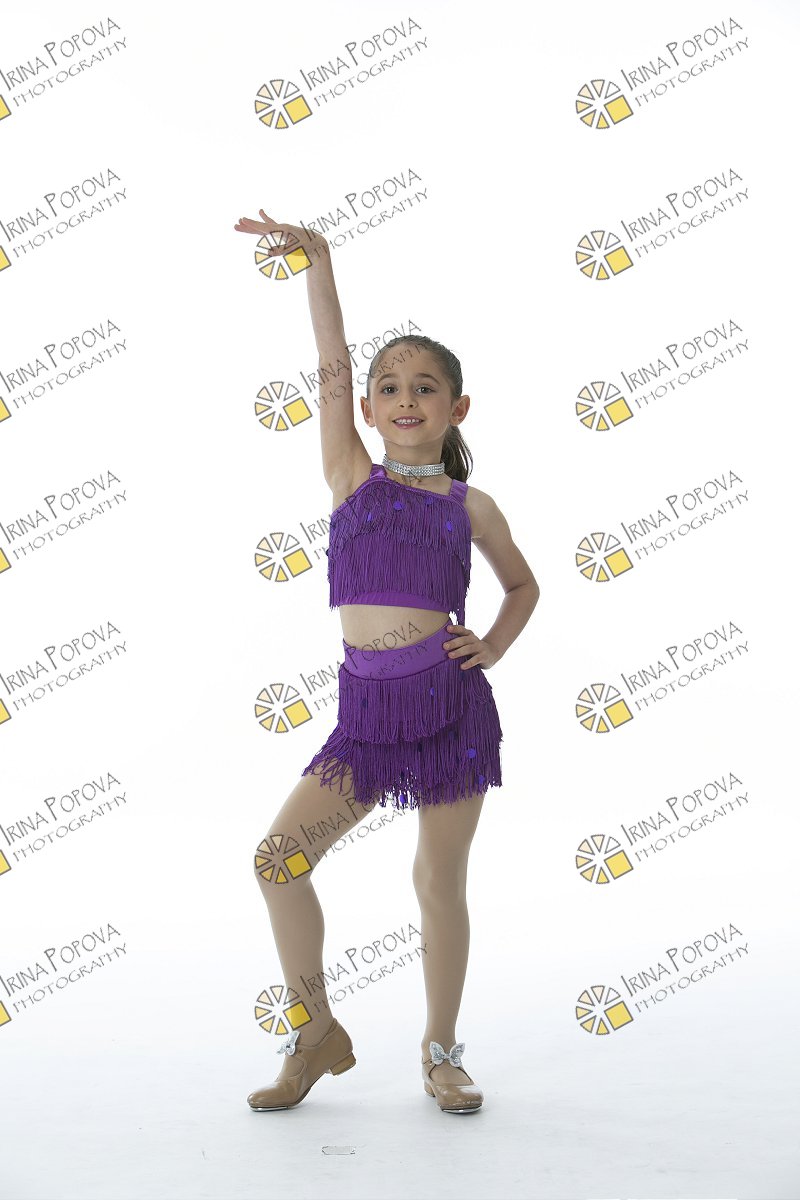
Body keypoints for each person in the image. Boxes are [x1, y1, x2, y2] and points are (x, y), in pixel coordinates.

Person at [233, 209, 541, 1114]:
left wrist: (492, 644)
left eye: (426, 387)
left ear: (456, 408)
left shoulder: (471, 506)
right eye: (390, 387)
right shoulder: (349, 474)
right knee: (279, 860)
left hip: (450, 710)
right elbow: (328, 360)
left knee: (438, 881)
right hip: (366, 718)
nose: (407, 400)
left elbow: (524, 586)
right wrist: (318, 262)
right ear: (367, 409)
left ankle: (441, 1052)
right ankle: (314, 1032)